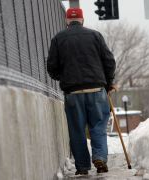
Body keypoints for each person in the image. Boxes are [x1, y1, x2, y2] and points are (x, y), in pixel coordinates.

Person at [47, 7, 116, 175]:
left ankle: (83, 167)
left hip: (73, 93)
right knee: (98, 126)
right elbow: (109, 61)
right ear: (82, 19)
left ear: (66, 21)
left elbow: (51, 67)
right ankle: (99, 157)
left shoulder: (58, 39)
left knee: (76, 130)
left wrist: (64, 78)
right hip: (97, 89)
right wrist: (108, 83)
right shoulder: (95, 36)